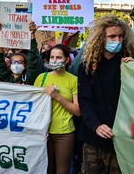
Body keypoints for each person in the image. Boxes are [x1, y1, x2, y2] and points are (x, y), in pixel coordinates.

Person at [78, 15, 134, 173]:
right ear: (101, 38)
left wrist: (132, 69)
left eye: (120, 36)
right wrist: (96, 125)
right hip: (93, 138)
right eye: (112, 36)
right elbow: (85, 101)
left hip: (122, 139)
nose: (117, 40)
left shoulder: (129, 64)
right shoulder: (87, 66)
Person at [34, 44, 80, 174]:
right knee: (44, 168)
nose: (54, 60)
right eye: (52, 57)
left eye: (58, 57)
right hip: (43, 132)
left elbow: (77, 111)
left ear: (66, 60)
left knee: (62, 170)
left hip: (65, 132)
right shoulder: (41, 78)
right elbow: (33, 107)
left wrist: (57, 96)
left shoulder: (73, 80)